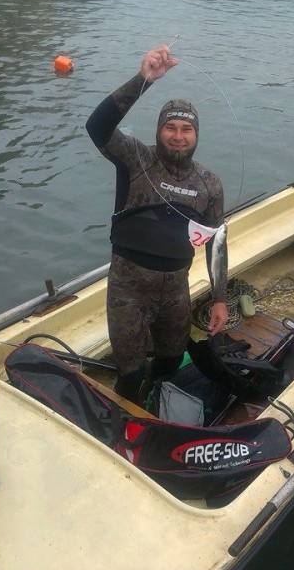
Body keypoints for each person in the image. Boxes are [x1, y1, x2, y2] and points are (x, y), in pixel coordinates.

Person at [86, 45, 228, 405]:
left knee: (169, 363)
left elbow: (216, 243)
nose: (178, 135)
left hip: (176, 293)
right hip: (128, 292)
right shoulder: (136, 159)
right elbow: (97, 127)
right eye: (170, 127)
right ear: (159, 130)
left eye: (186, 129)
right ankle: (125, 421)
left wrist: (220, 299)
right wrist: (143, 80)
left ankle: (154, 398)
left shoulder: (209, 183)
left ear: (196, 135)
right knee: (130, 375)